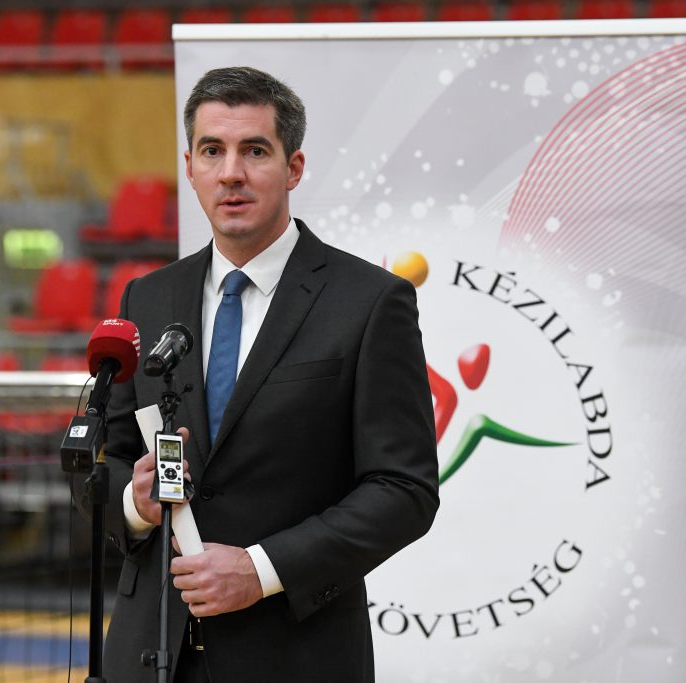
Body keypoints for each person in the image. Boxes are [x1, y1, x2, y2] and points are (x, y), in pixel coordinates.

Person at [96, 66, 439, 683]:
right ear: (190, 168)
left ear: (294, 168)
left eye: (254, 151)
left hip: (294, 655)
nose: (231, 172)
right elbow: (112, 458)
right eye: (212, 151)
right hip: (149, 654)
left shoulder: (369, 301)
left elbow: (403, 489)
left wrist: (261, 570)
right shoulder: (146, 297)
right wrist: (134, 503)